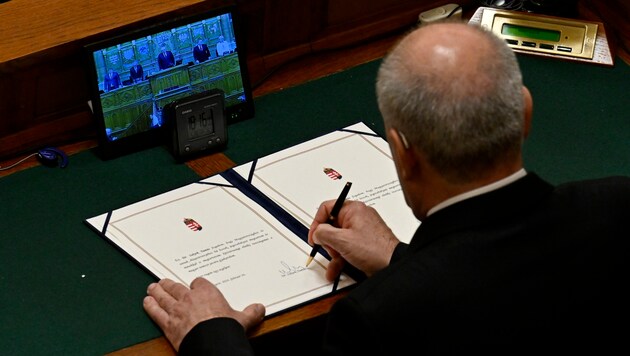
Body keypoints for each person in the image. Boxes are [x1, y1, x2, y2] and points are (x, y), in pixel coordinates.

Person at [142, 21, 630, 354]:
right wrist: (400, 258)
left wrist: (211, 337)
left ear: (402, 150)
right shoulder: (618, 208)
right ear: (524, 113)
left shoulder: (380, 319)